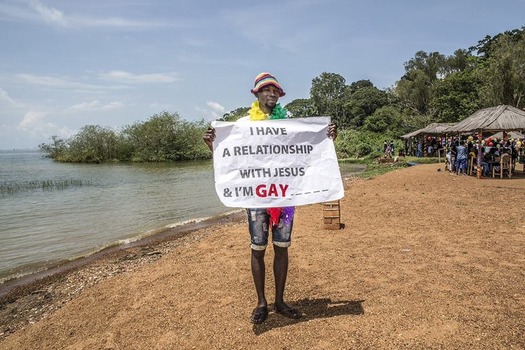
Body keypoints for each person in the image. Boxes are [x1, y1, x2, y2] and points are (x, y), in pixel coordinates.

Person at [203, 72, 337, 325]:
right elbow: (231, 158)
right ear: (256, 94)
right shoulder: (243, 124)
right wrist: (213, 144)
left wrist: (327, 137)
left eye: (276, 90)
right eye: (267, 90)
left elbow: (306, 151)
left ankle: (280, 300)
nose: (272, 94)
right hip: (256, 198)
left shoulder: (289, 122)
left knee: (282, 247)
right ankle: (261, 302)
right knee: (258, 248)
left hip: (284, 198)